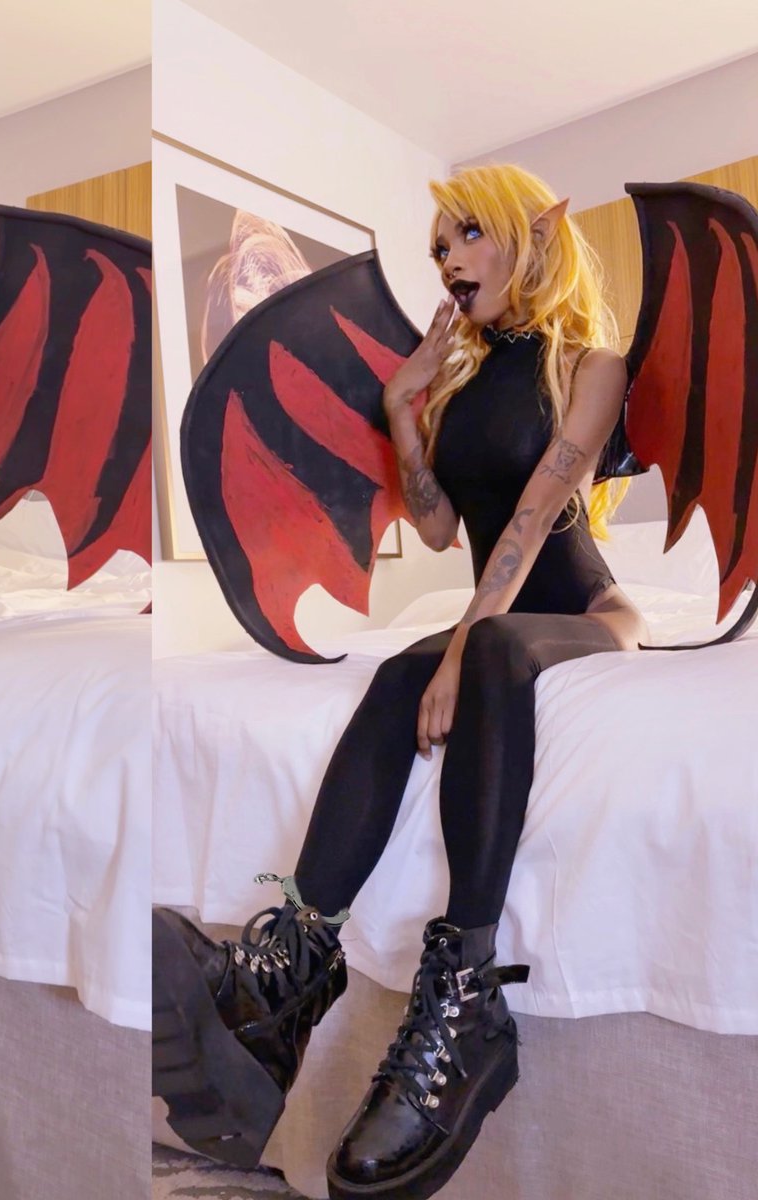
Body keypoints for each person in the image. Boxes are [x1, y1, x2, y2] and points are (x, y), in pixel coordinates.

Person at [153, 162, 647, 1200]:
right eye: (438, 247)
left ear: (532, 234)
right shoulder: (462, 379)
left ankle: (465, 995)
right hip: (492, 612)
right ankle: (285, 979)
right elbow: (434, 526)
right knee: (391, 681)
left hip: (585, 614)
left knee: (489, 654)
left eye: (469, 234)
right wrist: (403, 404)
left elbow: (529, 526)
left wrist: (464, 646)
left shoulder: (591, 366)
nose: (449, 259)